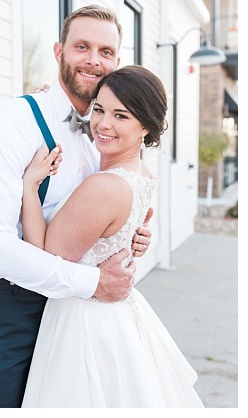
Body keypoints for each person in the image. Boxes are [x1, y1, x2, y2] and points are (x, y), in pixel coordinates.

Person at [0, 4, 153, 407]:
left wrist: (130, 235)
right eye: (82, 47)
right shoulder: (11, 124)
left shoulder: (103, 132)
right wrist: (94, 283)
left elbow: (98, 212)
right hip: (3, 315)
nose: (94, 60)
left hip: (67, 315)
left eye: (106, 52)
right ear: (59, 52)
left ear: (116, 61)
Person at [19, 66, 203, 407]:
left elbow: (44, 257)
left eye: (121, 115)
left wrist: (30, 186)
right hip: (115, 315)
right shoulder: (142, 175)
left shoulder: (104, 186)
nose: (103, 124)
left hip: (84, 324)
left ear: (145, 126)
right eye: (99, 110)